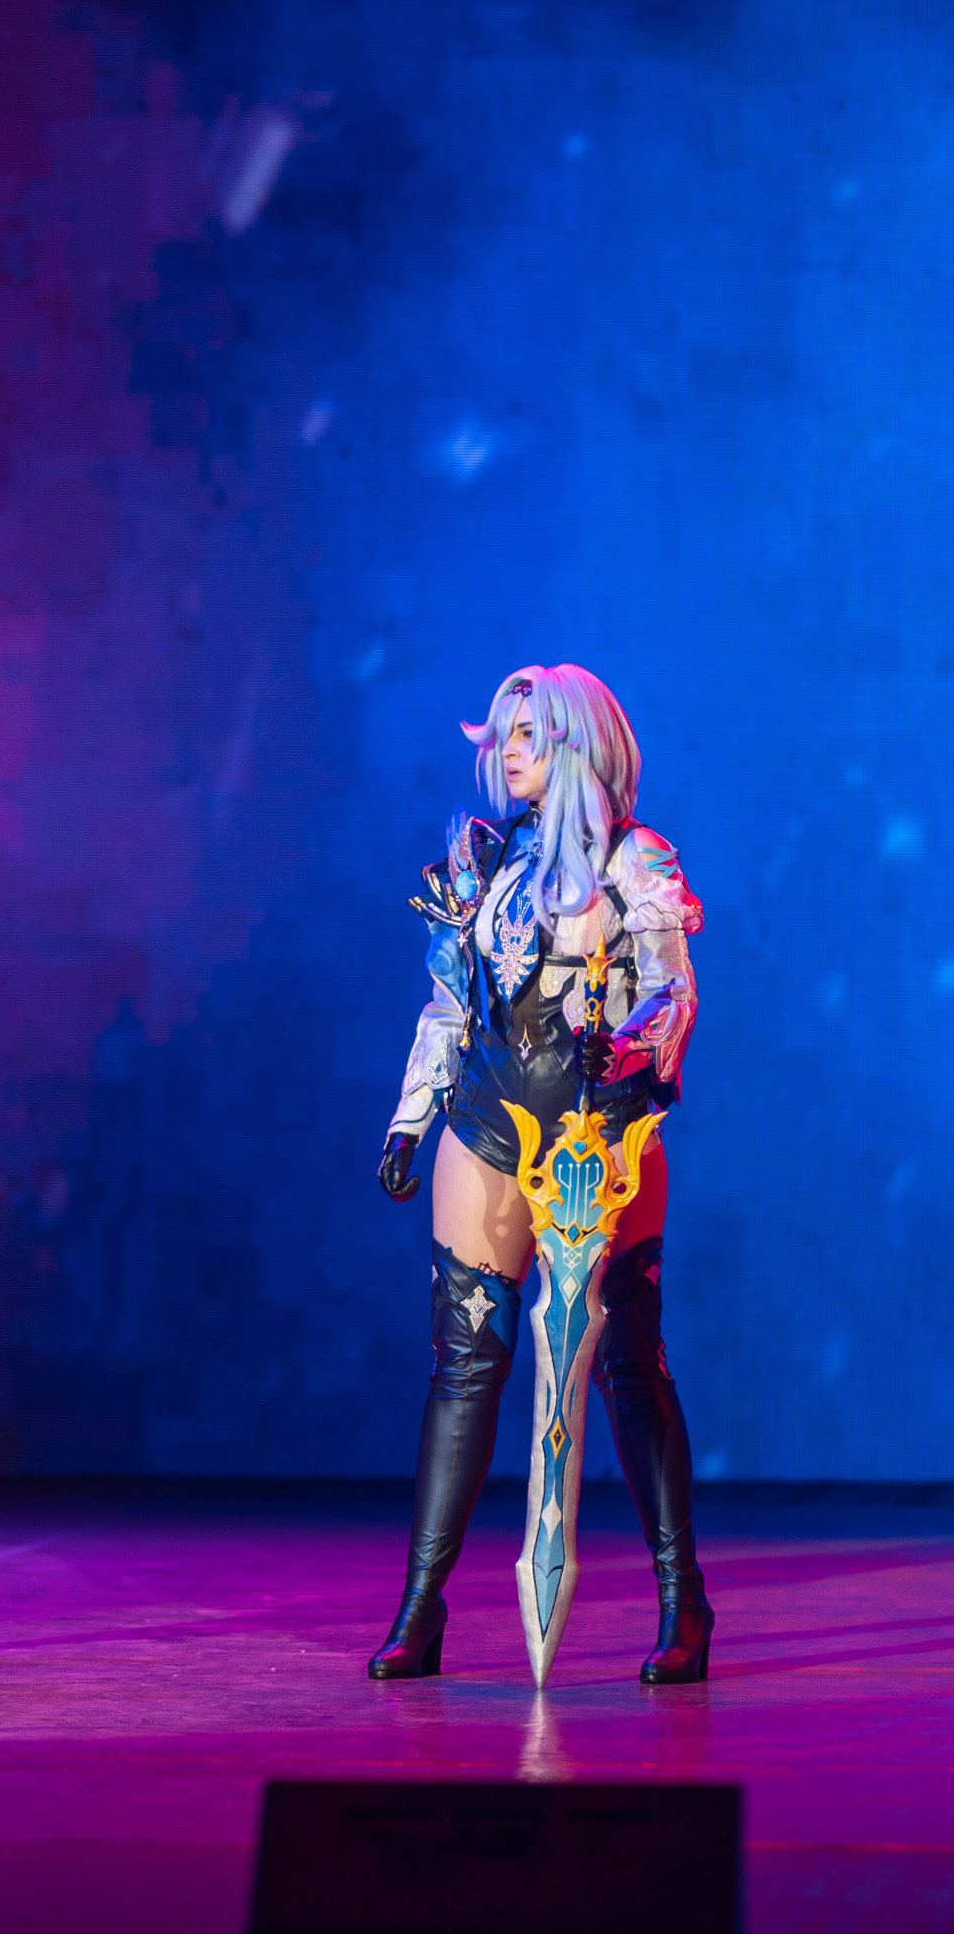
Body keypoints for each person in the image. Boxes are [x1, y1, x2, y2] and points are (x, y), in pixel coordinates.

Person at [369, 663, 713, 1686]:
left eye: (527, 735)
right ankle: (419, 1606)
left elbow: (672, 991)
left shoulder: (632, 860)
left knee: (627, 1363)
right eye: (502, 735)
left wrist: (633, 1045)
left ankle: (681, 1599)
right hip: (484, 1125)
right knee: (464, 1362)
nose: (506, 752)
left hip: (601, 1137)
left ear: (574, 744)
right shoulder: (482, 862)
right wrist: (408, 1117)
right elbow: (449, 1003)